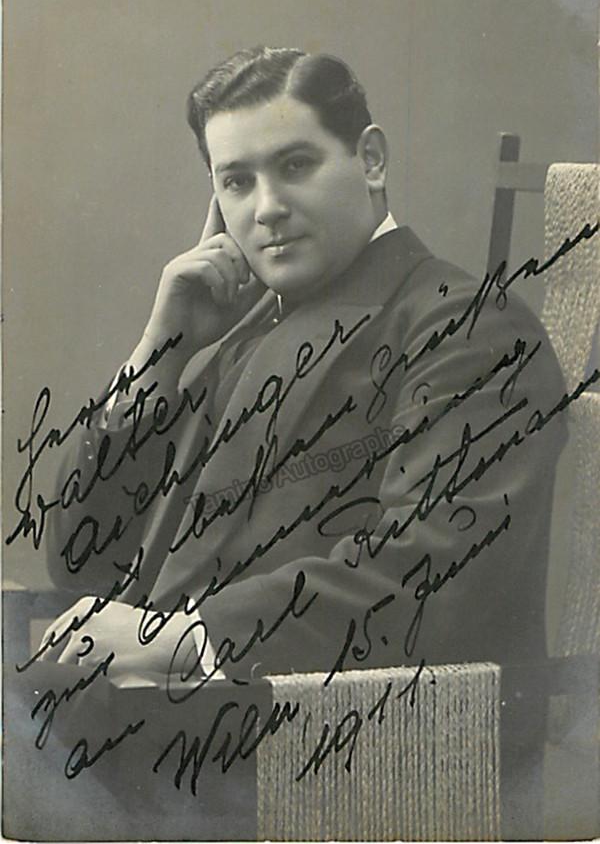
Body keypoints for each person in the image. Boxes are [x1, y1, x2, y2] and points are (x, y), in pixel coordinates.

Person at [41, 46, 567, 688]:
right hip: (164, 703)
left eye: (295, 165)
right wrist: (161, 354)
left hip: (329, 722)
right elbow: (80, 560)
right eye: (237, 182)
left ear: (370, 160)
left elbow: (435, 564)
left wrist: (182, 640)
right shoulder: (240, 337)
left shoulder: (468, 325)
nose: (266, 208)